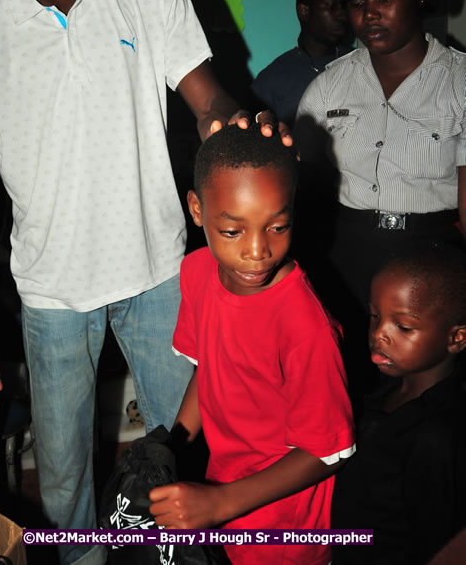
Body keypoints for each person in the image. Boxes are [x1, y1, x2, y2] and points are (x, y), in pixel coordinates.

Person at [0, 0, 289, 565]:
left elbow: (207, 100)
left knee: (188, 443)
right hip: (53, 291)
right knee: (65, 485)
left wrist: (241, 132)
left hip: (159, 268)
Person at [149, 124, 355, 565]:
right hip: (224, 484)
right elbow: (208, 367)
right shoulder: (198, 272)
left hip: (283, 515)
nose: (258, 251)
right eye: (233, 232)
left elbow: (328, 451)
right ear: (198, 210)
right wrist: (173, 446)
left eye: (277, 226)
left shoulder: (305, 325)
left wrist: (220, 503)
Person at [295, 0, 466, 327]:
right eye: (357, 3)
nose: (370, 13)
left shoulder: (459, 82)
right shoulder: (328, 87)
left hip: (432, 257)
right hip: (343, 258)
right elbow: (303, 183)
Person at [332, 242, 466, 564]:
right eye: (375, 316)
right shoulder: (381, 389)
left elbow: (437, 544)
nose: (379, 334)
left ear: (456, 338)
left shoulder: (438, 437)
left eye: (403, 327)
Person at [252, 0, 350, 127]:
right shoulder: (272, 80)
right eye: (330, 6)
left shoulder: (364, 64)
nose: (342, 14)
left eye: (344, 5)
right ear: (304, 11)